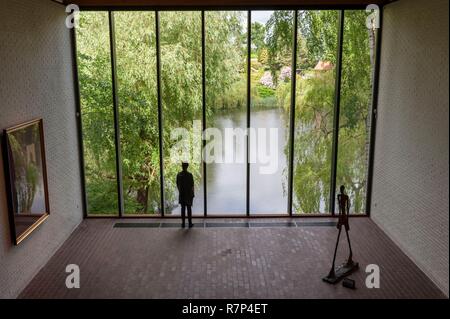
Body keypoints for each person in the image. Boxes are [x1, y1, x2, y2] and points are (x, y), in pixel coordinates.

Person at [176, 162, 194, 228]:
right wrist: (192, 194)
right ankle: (190, 223)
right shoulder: (190, 175)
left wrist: (180, 192)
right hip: (188, 194)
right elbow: (192, 186)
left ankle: (183, 223)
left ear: (182, 166)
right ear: (187, 167)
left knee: (182, 209)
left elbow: (177, 185)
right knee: (189, 209)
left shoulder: (178, 175)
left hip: (182, 194)